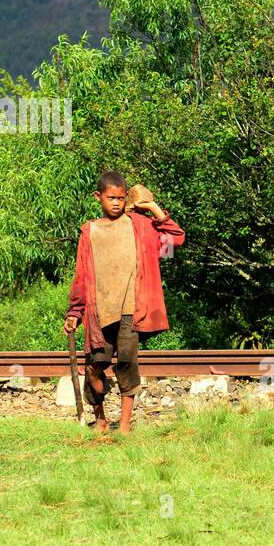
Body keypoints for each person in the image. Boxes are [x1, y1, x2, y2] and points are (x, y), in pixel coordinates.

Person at [63, 170, 185, 433]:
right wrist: (75, 311)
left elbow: (176, 238)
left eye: (120, 197)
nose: (116, 203)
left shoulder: (140, 226)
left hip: (131, 309)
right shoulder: (90, 231)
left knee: (127, 363)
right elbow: (81, 275)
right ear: (98, 197)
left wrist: (151, 206)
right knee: (95, 367)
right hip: (99, 311)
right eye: (110, 198)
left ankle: (126, 425)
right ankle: (102, 419)